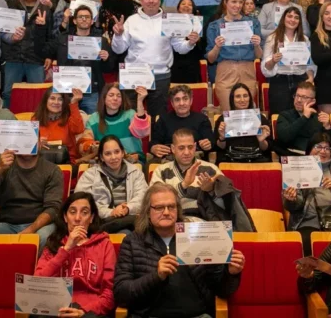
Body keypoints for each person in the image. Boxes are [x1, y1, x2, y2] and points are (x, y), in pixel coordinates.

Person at [113, 182, 245, 318]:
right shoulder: (132, 242)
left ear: (178, 210)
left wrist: (231, 273)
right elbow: (121, 294)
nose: (166, 212)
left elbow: (222, 290)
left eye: (171, 207)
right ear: (147, 212)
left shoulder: (199, 236)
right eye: (159, 207)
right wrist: (156, 276)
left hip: (196, 315)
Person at [112, 0, 199, 117]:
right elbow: (118, 50)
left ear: (159, 0)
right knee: (131, 116)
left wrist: (190, 43)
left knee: (158, 118)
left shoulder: (169, 21)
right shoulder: (131, 20)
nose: (151, 1)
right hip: (134, 75)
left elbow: (180, 48)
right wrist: (117, 36)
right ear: (141, 0)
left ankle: (156, 139)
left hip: (160, 76)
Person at [35, 192, 117, 318]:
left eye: (84, 213)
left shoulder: (104, 244)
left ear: (91, 218)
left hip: (89, 312)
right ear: (65, 217)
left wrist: (84, 311)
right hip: (56, 310)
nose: (78, 218)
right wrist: (66, 249)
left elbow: (109, 293)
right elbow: (38, 284)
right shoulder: (53, 244)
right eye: (72, 212)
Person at [284, 132, 331, 254]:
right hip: (308, 221)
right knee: (304, 244)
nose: (323, 151)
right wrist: (291, 199)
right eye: (318, 146)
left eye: (327, 148)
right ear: (309, 149)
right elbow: (293, 208)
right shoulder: (296, 169)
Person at [0, 148, 63, 252]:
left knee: (42, 238)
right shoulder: (5, 167)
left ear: (39, 144)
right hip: (8, 225)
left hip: (40, 225)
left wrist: (31, 230)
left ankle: (36, 268)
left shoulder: (52, 170)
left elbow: (53, 208)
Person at [34, 5, 115, 115]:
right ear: (75, 21)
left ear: (92, 21)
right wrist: (40, 29)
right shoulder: (63, 38)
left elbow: (109, 69)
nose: (84, 19)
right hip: (66, 92)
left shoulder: (101, 41)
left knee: (91, 126)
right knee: (65, 125)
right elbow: (41, 52)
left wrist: (106, 59)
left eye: (87, 17)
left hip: (91, 93)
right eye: (80, 16)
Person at [75, 136, 148, 234]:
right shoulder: (90, 175)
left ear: (123, 153)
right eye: (108, 153)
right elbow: (81, 204)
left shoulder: (136, 172)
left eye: (117, 152)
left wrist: (127, 208)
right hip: (100, 222)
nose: (113, 157)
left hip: (129, 221)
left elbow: (143, 198)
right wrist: (111, 212)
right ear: (101, 157)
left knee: (126, 232)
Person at [206, 0, 263, 111]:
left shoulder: (253, 23)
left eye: (240, 2)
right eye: (234, 1)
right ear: (225, 2)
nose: (237, 5)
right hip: (225, 71)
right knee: (228, 115)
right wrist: (217, 47)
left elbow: (259, 55)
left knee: (247, 114)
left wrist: (257, 44)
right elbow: (210, 59)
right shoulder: (214, 26)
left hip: (247, 70)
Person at [149, 129, 225, 218]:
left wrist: (210, 191)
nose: (187, 152)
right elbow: (154, 203)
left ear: (195, 146)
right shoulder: (161, 171)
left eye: (190, 147)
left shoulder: (211, 169)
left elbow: (227, 204)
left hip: (205, 222)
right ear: (173, 149)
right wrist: (183, 185)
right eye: (181, 148)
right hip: (172, 222)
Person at [1, 0, 53, 108]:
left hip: (36, 58)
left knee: (38, 94)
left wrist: (49, 56)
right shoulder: (10, 6)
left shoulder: (45, 10)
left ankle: (38, 122)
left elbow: (51, 36)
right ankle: (8, 120)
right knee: (8, 93)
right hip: (13, 56)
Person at [261, 6, 316, 114]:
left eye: (296, 17)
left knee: (301, 115)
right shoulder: (272, 38)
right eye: (289, 16)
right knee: (279, 117)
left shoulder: (304, 39)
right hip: (279, 83)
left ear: (299, 21)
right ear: (283, 18)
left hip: (300, 82)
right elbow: (265, 69)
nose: (292, 20)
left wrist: (310, 78)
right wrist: (273, 60)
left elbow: (310, 64)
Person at [86, 84, 151, 165]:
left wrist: (140, 101)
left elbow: (142, 133)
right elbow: (86, 142)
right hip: (105, 164)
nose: (115, 98)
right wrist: (92, 146)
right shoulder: (94, 119)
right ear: (103, 98)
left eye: (118, 96)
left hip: (132, 162)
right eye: (111, 95)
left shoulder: (130, 114)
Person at [150, 85, 215, 163]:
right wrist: (153, 148)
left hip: (195, 160)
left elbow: (211, 143)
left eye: (185, 99)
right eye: (177, 100)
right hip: (169, 161)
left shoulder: (202, 119)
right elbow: (154, 141)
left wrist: (208, 145)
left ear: (191, 101)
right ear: (172, 103)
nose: (181, 103)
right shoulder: (163, 119)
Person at [276, 81, 331, 155]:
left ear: (313, 101)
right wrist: (304, 117)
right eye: (297, 96)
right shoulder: (284, 116)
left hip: (316, 159)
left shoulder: (319, 118)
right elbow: (284, 137)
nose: (299, 100)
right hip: (292, 158)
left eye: (304, 97)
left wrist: (328, 127)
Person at [214, 83, 273, 163]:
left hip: (256, 161)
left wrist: (261, 141)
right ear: (232, 99)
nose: (242, 100)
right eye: (238, 96)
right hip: (231, 161)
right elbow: (219, 148)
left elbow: (266, 149)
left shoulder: (260, 119)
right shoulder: (223, 119)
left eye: (245, 96)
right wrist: (222, 138)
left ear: (250, 98)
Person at [33, 88, 90, 165]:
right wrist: (38, 144)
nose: (56, 102)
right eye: (52, 98)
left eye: (60, 99)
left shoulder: (69, 117)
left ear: (64, 102)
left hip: (68, 164)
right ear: (45, 101)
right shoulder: (35, 119)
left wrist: (74, 103)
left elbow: (78, 130)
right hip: (43, 163)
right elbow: (30, 147)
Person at [170, 0, 206, 84]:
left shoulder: (199, 24)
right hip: (175, 65)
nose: (186, 6)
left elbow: (203, 47)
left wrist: (197, 40)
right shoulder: (170, 23)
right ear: (178, 8)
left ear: (193, 9)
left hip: (193, 66)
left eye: (190, 5)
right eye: (183, 4)